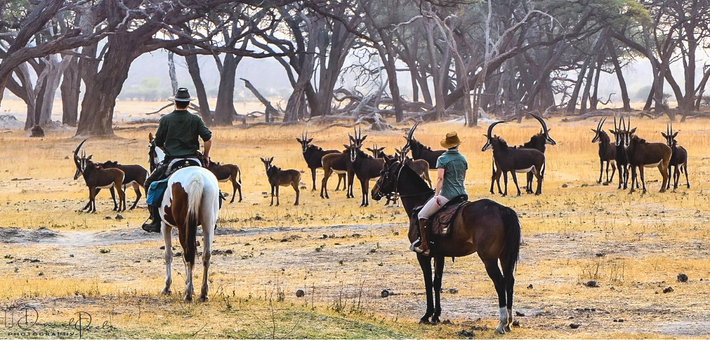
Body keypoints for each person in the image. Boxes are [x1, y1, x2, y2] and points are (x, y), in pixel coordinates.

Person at [141, 87, 213, 233]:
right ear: (188, 104)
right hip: (194, 160)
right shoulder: (195, 119)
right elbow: (208, 138)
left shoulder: (166, 120)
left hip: (173, 160)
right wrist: (205, 155)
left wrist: (167, 150)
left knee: (149, 183)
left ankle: (155, 219)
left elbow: (158, 142)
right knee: (212, 186)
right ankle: (211, 217)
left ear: (175, 102)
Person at [412, 131, 468, 255]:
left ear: (447, 145)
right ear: (457, 145)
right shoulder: (463, 159)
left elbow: (440, 179)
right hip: (462, 195)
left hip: (447, 196)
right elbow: (462, 178)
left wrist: (437, 195)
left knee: (422, 215)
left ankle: (425, 245)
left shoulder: (443, 159)